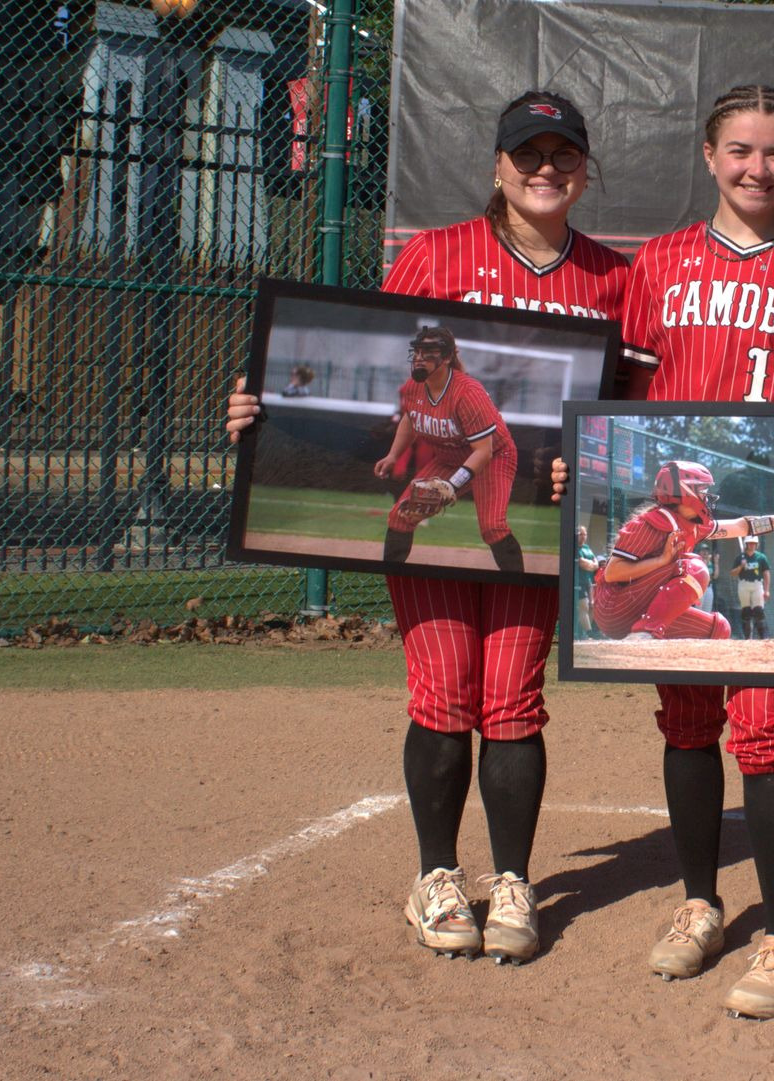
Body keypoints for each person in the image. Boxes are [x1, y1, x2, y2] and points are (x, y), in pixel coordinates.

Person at [227, 91, 627, 966]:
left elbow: (623, 410)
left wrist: (591, 466)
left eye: (564, 156)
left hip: (513, 470)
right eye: (528, 155)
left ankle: (514, 879)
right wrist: (268, 410)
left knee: (513, 696)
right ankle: (438, 876)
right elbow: (382, 376)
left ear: (585, 173)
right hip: (445, 463)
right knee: (445, 689)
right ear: (497, 168)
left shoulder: (610, 276)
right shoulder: (434, 255)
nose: (545, 170)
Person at [559, 84, 774, 1020]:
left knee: (767, 729)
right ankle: (700, 902)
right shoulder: (657, 264)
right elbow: (621, 393)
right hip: (679, 557)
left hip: (724, 539)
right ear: (708, 156)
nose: (757, 169)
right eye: (739, 150)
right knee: (688, 726)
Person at [591, 460, 774, 644]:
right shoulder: (649, 522)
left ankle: (648, 637)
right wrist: (664, 560)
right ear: (686, 492)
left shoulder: (695, 526)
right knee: (694, 567)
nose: (707, 497)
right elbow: (612, 573)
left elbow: (742, 526)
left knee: (720, 628)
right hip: (614, 607)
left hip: (639, 610)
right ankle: (644, 634)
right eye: (702, 490)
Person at [372, 325, 523, 573]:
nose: (420, 357)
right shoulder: (413, 387)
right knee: (401, 517)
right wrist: (393, 455)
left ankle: (520, 585)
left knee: (492, 528)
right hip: (449, 457)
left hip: (493, 457)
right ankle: (391, 577)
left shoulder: (467, 393)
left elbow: (483, 452)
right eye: (418, 351)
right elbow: (411, 419)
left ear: (447, 357)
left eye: (429, 352)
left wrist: (452, 485)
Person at [732, 535, 772, 639]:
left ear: (757, 545)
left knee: (758, 611)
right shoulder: (740, 558)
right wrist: (741, 566)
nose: (752, 545)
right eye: (750, 543)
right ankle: (747, 638)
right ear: (746, 544)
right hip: (744, 584)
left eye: (754, 543)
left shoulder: (761, 557)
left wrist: (767, 590)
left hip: (757, 585)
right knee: (746, 611)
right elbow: (733, 573)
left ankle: (763, 637)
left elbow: (766, 573)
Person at [573, 525, 598, 639]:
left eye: (585, 534)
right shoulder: (575, 548)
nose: (583, 537)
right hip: (579, 582)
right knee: (584, 606)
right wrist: (591, 565)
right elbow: (582, 563)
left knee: (591, 606)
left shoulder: (587, 547)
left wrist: (591, 565)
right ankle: (588, 632)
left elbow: (596, 564)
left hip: (589, 581)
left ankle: (585, 631)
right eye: (580, 534)